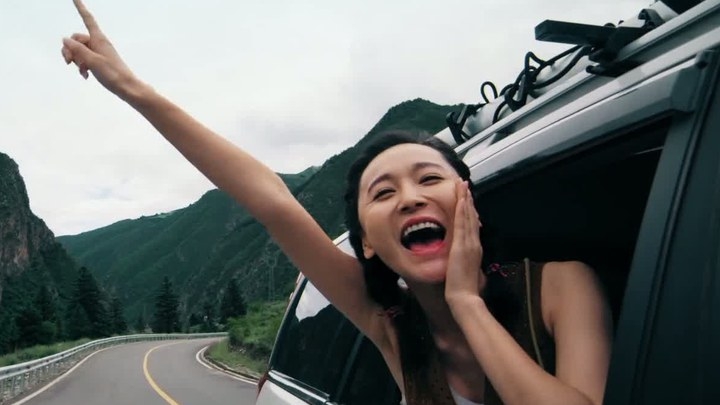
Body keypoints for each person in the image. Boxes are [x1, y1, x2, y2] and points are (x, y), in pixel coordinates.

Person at [60, 1, 613, 404]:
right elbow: (271, 201)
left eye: (429, 178)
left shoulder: (559, 286)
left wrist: (467, 302)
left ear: (467, 200)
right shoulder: (391, 326)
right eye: (384, 192)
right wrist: (132, 88)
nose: (410, 198)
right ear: (366, 243)